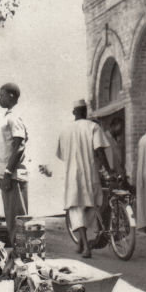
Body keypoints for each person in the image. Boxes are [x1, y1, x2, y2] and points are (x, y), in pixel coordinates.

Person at [57, 99, 113, 258]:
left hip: (72, 176)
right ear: (86, 111)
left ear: (74, 112)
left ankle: (83, 243)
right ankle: (86, 246)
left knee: (76, 210)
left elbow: (61, 155)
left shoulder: (65, 131)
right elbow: (100, 152)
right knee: (90, 206)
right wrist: (108, 171)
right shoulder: (93, 127)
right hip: (90, 174)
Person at [0, 82, 28, 245]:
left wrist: (7, 173)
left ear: (11, 96)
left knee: (18, 221)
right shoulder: (8, 116)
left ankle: (23, 260)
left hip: (13, 176)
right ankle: (19, 257)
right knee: (12, 221)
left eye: (2, 95)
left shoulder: (14, 116)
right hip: (8, 175)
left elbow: (19, 146)